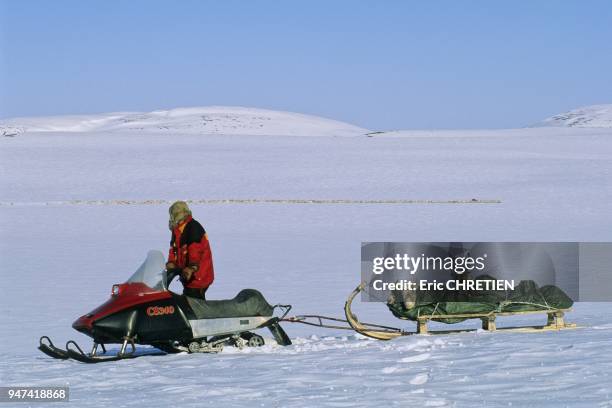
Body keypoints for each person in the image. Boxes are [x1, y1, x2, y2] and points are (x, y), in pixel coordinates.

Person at [165, 201, 214, 299]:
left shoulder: (193, 227)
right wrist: (171, 262)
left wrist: (192, 267)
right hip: (187, 276)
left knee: (192, 303)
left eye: (173, 215)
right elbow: (173, 249)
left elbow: (195, 251)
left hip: (198, 276)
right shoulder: (177, 230)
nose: (171, 218)